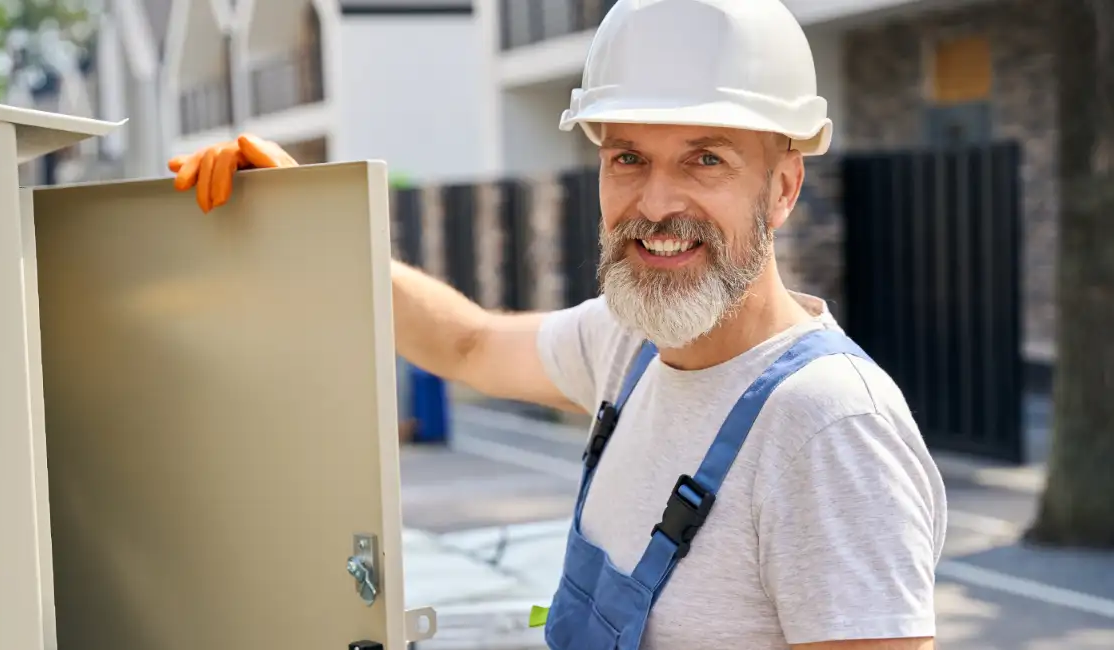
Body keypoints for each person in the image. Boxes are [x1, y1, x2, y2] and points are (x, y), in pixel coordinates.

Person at [169, 1, 947, 648]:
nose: (654, 204)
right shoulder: (630, 345)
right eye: (628, 158)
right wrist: (312, 217)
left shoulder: (829, 430)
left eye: (705, 159)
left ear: (781, 188)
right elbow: (467, 343)